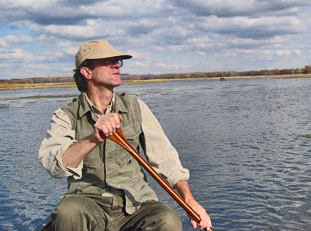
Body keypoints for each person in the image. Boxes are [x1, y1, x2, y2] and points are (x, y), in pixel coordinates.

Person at [39, 40, 212, 231]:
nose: (116, 65)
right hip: (87, 202)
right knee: (68, 213)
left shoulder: (136, 107)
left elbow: (166, 160)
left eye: (118, 61)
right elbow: (55, 167)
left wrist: (190, 202)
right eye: (108, 61)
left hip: (136, 204)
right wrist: (93, 138)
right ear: (86, 72)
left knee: (168, 220)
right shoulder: (65, 115)